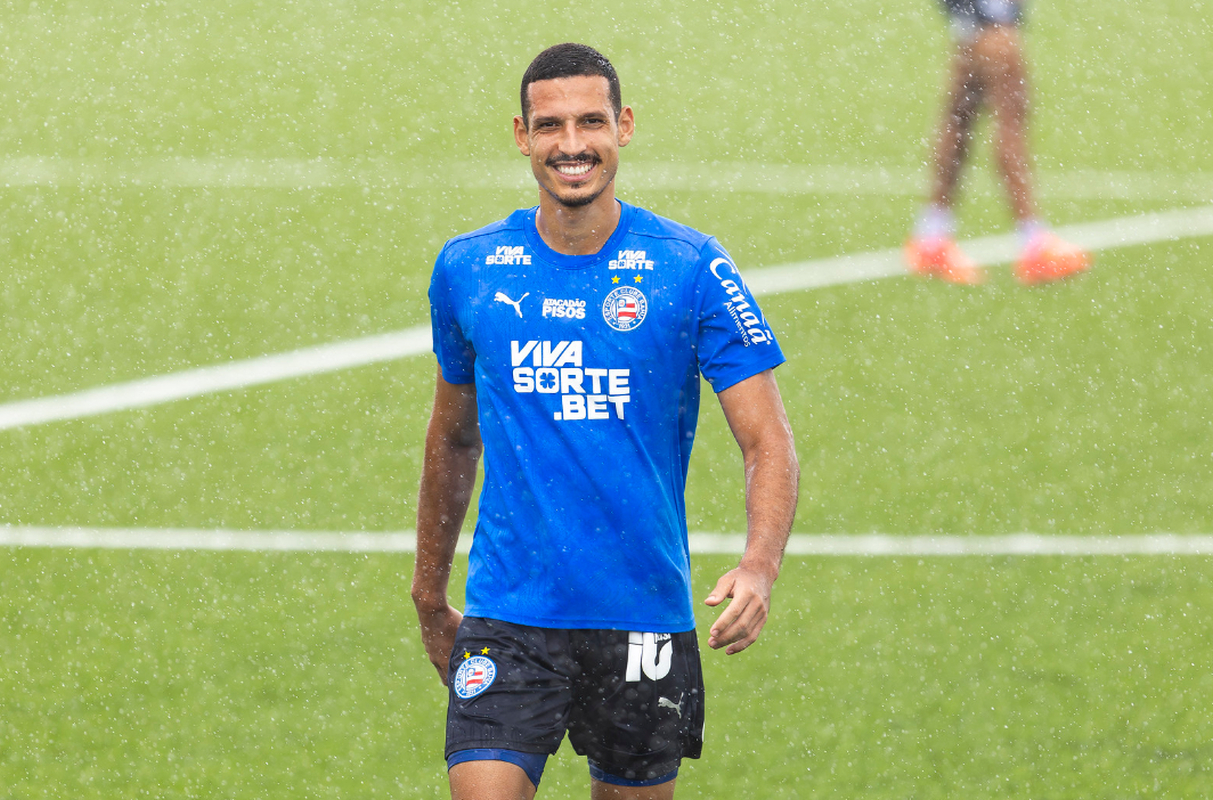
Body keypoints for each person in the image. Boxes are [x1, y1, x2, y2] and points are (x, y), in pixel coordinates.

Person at [411, 43, 800, 800]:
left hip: (640, 616)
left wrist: (759, 566)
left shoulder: (690, 267)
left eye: (590, 121)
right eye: (549, 125)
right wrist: (429, 597)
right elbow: (452, 438)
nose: (571, 144)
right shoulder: (468, 268)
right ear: (522, 136)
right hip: (507, 613)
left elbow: (766, 441)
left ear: (622, 126)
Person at [904, 0, 1092, 285]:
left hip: (971, 27)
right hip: (993, 23)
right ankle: (1035, 245)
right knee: (1009, 121)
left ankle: (931, 238)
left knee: (958, 119)